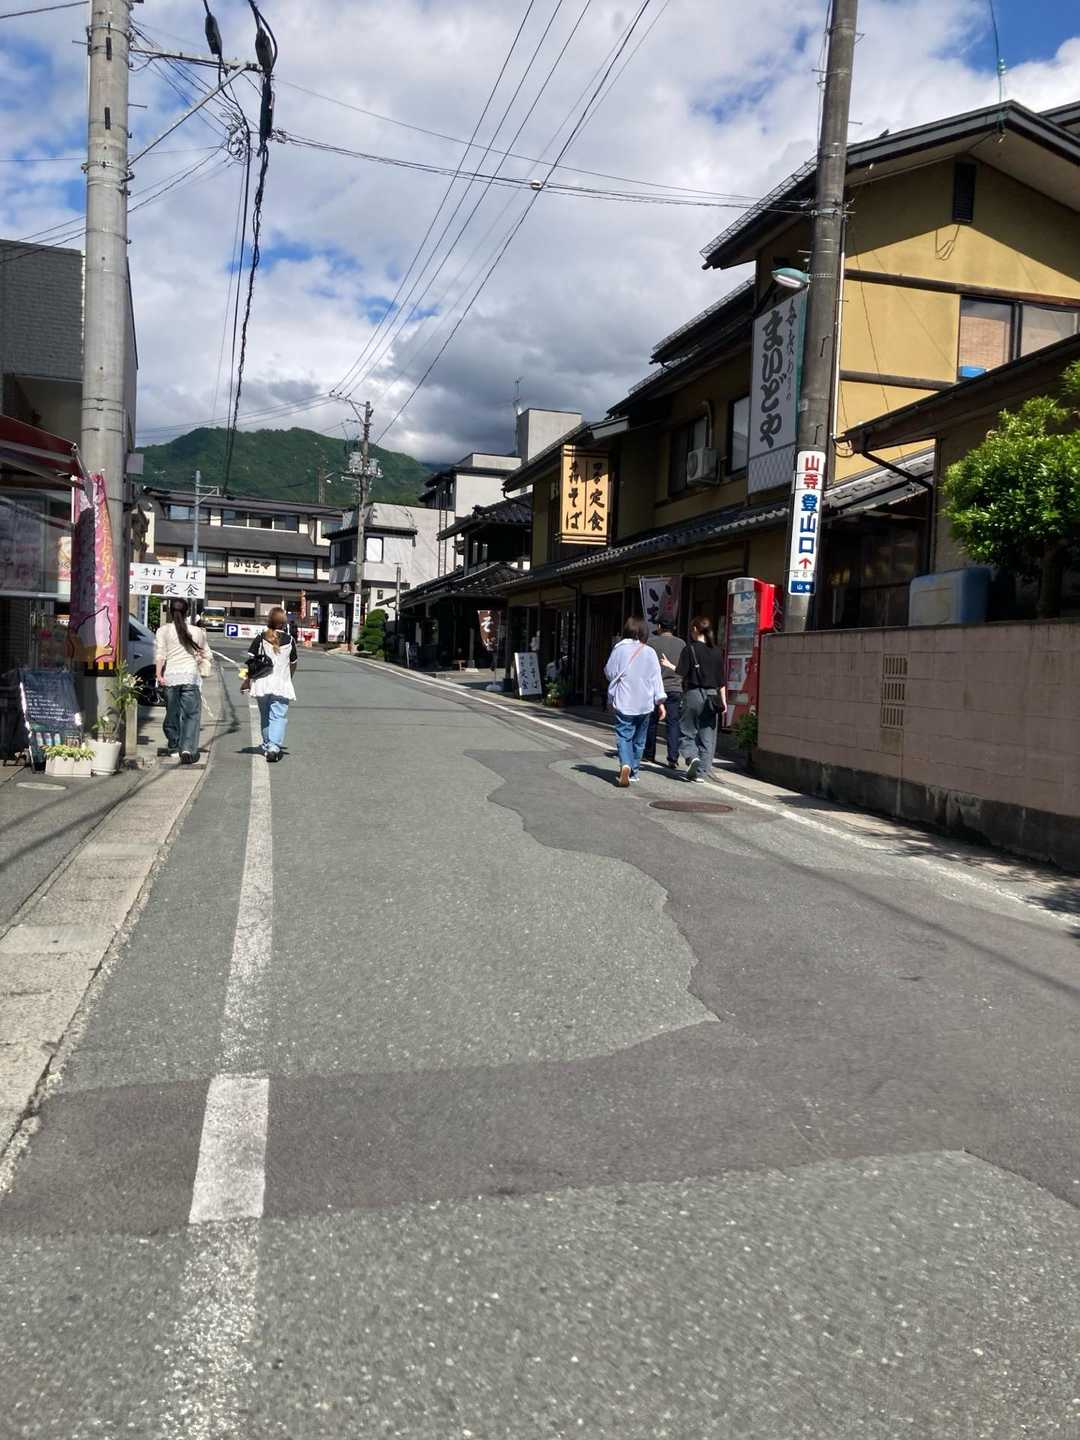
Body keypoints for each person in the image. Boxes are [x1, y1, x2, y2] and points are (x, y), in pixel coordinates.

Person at [604, 616, 665, 788]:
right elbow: (656, 678)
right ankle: (634, 772)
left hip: (625, 700)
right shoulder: (650, 652)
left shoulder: (619, 649)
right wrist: (660, 701)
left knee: (624, 736)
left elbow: (609, 672)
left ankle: (625, 764)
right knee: (640, 739)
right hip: (645, 702)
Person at [154, 598, 209, 764]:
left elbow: (160, 654)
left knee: (172, 713)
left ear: (170, 611)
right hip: (190, 676)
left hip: (170, 676)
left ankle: (173, 745)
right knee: (191, 715)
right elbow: (205, 653)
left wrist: (159, 675)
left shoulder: (163, 630)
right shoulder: (197, 632)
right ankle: (187, 749)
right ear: (187, 613)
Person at [676, 614, 727, 783]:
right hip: (712, 697)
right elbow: (721, 681)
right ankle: (701, 772)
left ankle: (691, 757)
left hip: (693, 694)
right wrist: (724, 702)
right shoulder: (717, 652)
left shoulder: (689, 649)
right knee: (708, 736)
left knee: (686, 731)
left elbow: (681, 673)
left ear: (695, 629)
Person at [243, 606, 297, 763]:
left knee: (265, 715)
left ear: (269, 621)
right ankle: (273, 747)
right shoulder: (290, 640)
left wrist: (247, 680)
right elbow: (293, 662)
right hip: (281, 683)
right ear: (283, 622)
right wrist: (289, 677)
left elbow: (251, 661)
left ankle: (268, 744)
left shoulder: (260, 638)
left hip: (262, 683)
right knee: (278, 716)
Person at [643, 619, 686, 768]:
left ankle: (649, 754)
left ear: (659, 626)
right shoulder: (682, 644)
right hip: (675, 687)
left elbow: (646, 666)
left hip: (655, 688)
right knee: (673, 723)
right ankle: (673, 757)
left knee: (651, 721)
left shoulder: (651, 643)